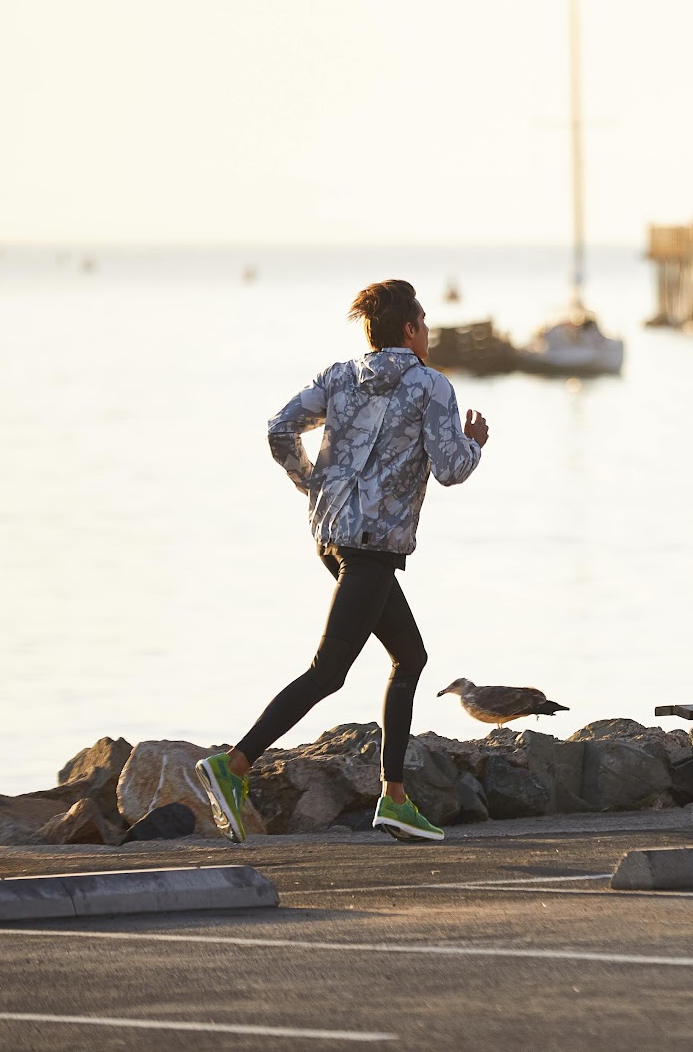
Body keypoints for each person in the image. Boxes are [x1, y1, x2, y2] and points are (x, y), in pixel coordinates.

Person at [195, 279, 489, 844]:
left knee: (411, 656)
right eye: (424, 324)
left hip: (332, 540)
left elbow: (279, 429)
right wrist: (475, 441)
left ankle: (395, 798)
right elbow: (452, 469)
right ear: (410, 329)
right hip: (373, 548)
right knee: (328, 672)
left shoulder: (338, 377)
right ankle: (233, 767)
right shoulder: (431, 386)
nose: (428, 334)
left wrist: (315, 485)